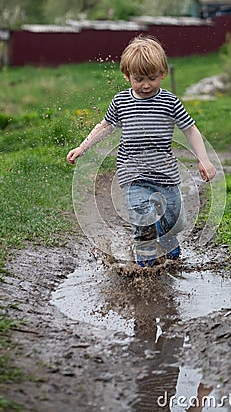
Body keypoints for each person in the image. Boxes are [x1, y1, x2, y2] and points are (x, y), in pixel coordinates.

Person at [66, 35, 216, 267]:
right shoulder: (121, 102)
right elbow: (105, 126)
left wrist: (204, 160)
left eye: (152, 78)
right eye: (138, 79)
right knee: (142, 216)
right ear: (127, 76)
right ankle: (145, 261)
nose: (146, 85)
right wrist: (82, 147)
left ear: (163, 74)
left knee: (175, 221)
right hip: (132, 174)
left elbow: (191, 129)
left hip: (165, 174)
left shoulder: (170, 102)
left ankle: (167, 238)